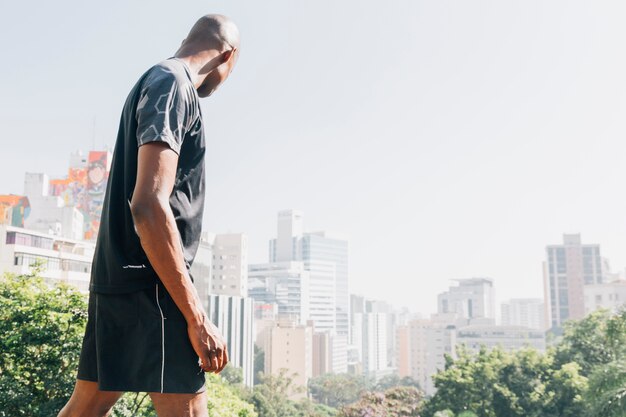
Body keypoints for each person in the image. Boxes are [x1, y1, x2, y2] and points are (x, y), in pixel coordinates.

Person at [57, 14, 240, 417]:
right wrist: (196, 317)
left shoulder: (156, 81)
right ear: (228, 55)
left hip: (118, 281)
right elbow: (148, 205)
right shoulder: (174, 85)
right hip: (153, 286)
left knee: (84, 409)